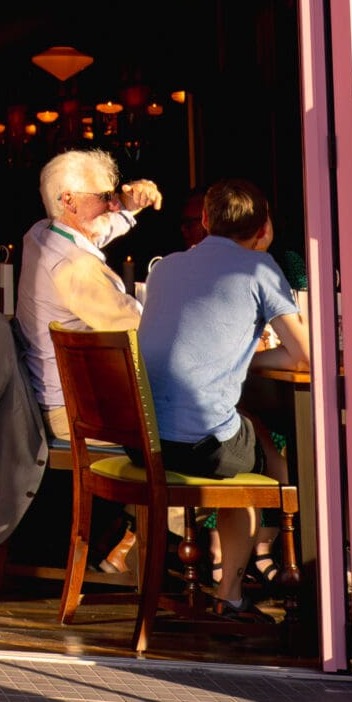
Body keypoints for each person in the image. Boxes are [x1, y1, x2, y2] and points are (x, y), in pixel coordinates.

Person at [131, 179, 309, 622]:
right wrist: (251, 359)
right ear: (264, 227)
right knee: (268, 457)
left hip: (141, 438)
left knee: (247, 432)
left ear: (206, 221)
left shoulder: (165, 268)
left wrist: (238, 359)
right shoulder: (260, 269)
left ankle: (233, 580)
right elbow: (305, 355)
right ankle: (240, 587)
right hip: (200, 448)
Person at [16, 149, 161, 443]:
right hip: (82, 414)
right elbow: (144, 335)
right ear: (68, 199)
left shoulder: (40, 235)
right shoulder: (77, 268)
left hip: (57, 403)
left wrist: (129, 205)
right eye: (104, 196)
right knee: (198, 427)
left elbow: (96, 230)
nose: (112, 204)